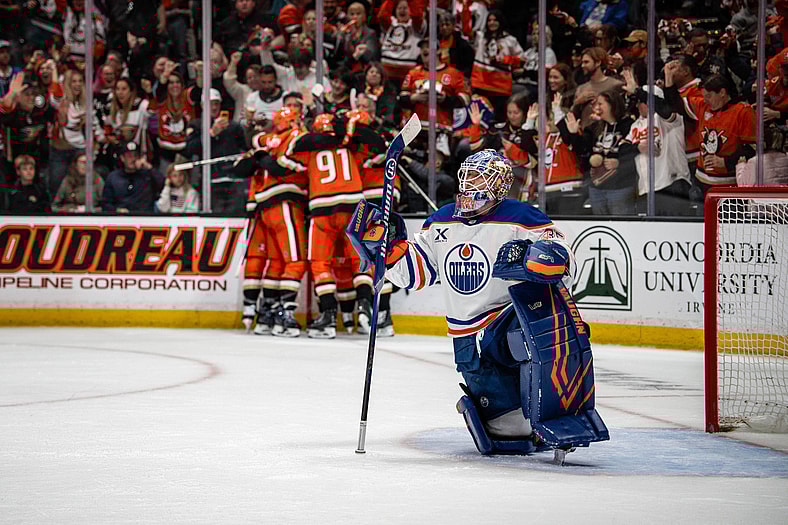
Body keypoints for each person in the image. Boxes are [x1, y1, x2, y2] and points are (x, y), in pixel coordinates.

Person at [346, 149, 607, 455]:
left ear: (499, 184)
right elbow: (416, 272)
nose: (470, 182)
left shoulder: (522, 218)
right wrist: (386, 250)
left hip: (508, 317)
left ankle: (559, 411)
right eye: (467, 175)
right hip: (466, 334)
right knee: (508, 434)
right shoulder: (441, 221)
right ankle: (521, 424)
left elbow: (562, 257)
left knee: (535, 339)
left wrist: (544, 256)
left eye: (478, 176)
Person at [664, 67, 756, 192]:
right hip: (700, 183)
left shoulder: (743, 111)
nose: (705, 100)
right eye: (704, 96)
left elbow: (752, 148)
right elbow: (676, 105)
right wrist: (668, 79)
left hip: (728, 185)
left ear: (722, 92)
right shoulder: (703, 106)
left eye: (709, 96)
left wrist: (726, 162)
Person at [619, 72, 691, 216]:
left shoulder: (668, 119)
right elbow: (622, 150)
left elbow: (664, 109)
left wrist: (638, 91)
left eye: (642, 100)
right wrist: (638, 147)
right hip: (646, 189)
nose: (638, 104)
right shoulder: (635, 125)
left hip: (672, 185)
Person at [560, 89, 635, 215]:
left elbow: (635, 151)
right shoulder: (594, 127)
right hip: (596, 187)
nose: (596, 107)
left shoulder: (628, 125)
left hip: (620, 186)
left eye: (600, 104)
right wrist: (574, 133)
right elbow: (582, 150)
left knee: (621, 228)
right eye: (595, 104)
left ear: (613, 104)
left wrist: (619, 162)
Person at [183, 89, 249, 214]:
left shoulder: (233, 127)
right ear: (203, 105)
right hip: (211, 181)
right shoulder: (196, 125)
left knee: (236, 217)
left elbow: (245, 148)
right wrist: (211, 133)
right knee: (216, 217)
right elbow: (190, 149)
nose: (213, 107)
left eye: (216, 103)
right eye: (210, 103)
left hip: (233, 180)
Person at [102, 141, 164, 214]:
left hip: (145, 218)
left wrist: (149, 167)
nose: (133, 159)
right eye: (129, 156)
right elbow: (106, 204)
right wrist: (117, 211)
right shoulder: (113, 177)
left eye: (135, 155)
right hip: (121, 219)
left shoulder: (148, 175)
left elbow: (163, 185)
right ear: (122, 158)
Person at [572, 47, 623, 129]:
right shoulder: (581, 89)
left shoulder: (615, 85)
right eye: (582, 63)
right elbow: (572, 117)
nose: (582, 66)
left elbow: (620, 112)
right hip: (584, 135)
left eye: (586, 62)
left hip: (605, 134)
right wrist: (578, 102)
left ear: (598, 62)